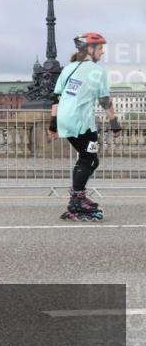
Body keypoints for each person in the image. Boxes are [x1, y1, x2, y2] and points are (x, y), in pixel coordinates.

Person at [48, 32, 122, 221]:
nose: (102, 52)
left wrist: (53, 125)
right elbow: (105, 100)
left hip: (65, 119)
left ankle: (77, 195)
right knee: (88, 158)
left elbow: (56, 98)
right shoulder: (97, 71)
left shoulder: (68, 69)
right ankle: (78, 200)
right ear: (90, 49)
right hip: (81, 121)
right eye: (100, 48)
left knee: (89, 159)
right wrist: (115, 124)